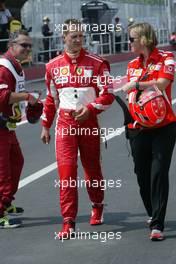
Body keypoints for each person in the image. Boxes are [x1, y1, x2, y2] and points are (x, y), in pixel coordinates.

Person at [41, 18, 115, 239]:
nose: (78, 39)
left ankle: (97, 204)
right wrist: (45, 125)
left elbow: (109, 94)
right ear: (63, 37)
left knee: (92, 168)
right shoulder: (51, 66)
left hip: (88, 122)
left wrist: (91, 109)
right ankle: (68, 222)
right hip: (65, 124)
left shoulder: (98, 63)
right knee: (66, 173)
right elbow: (50, 99)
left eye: (81, 35)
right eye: (73, 36)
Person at [120, 22, 176, 241]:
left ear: (143, 39)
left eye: (131, 39)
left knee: (159, 173)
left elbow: (162, 84)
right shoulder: (132, 63)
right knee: (141, 174)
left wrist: (136, 85)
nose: (129, 42)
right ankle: (152, 212)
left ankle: (158, 224)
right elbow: (129, 93)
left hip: (164, 126)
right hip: (138, 127)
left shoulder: (166, 58)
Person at [0, 30, 39, 228]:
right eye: (24, 45)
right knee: (3, 173)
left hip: (8, 126)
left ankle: (6, 204)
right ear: (11, 46)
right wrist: (27, 97)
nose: (27, 49)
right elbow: (2, 96)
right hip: (0, 127)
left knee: (17, 162)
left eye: (30, 46)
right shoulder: (4, 67)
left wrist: (30, 97)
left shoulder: (17, 67)